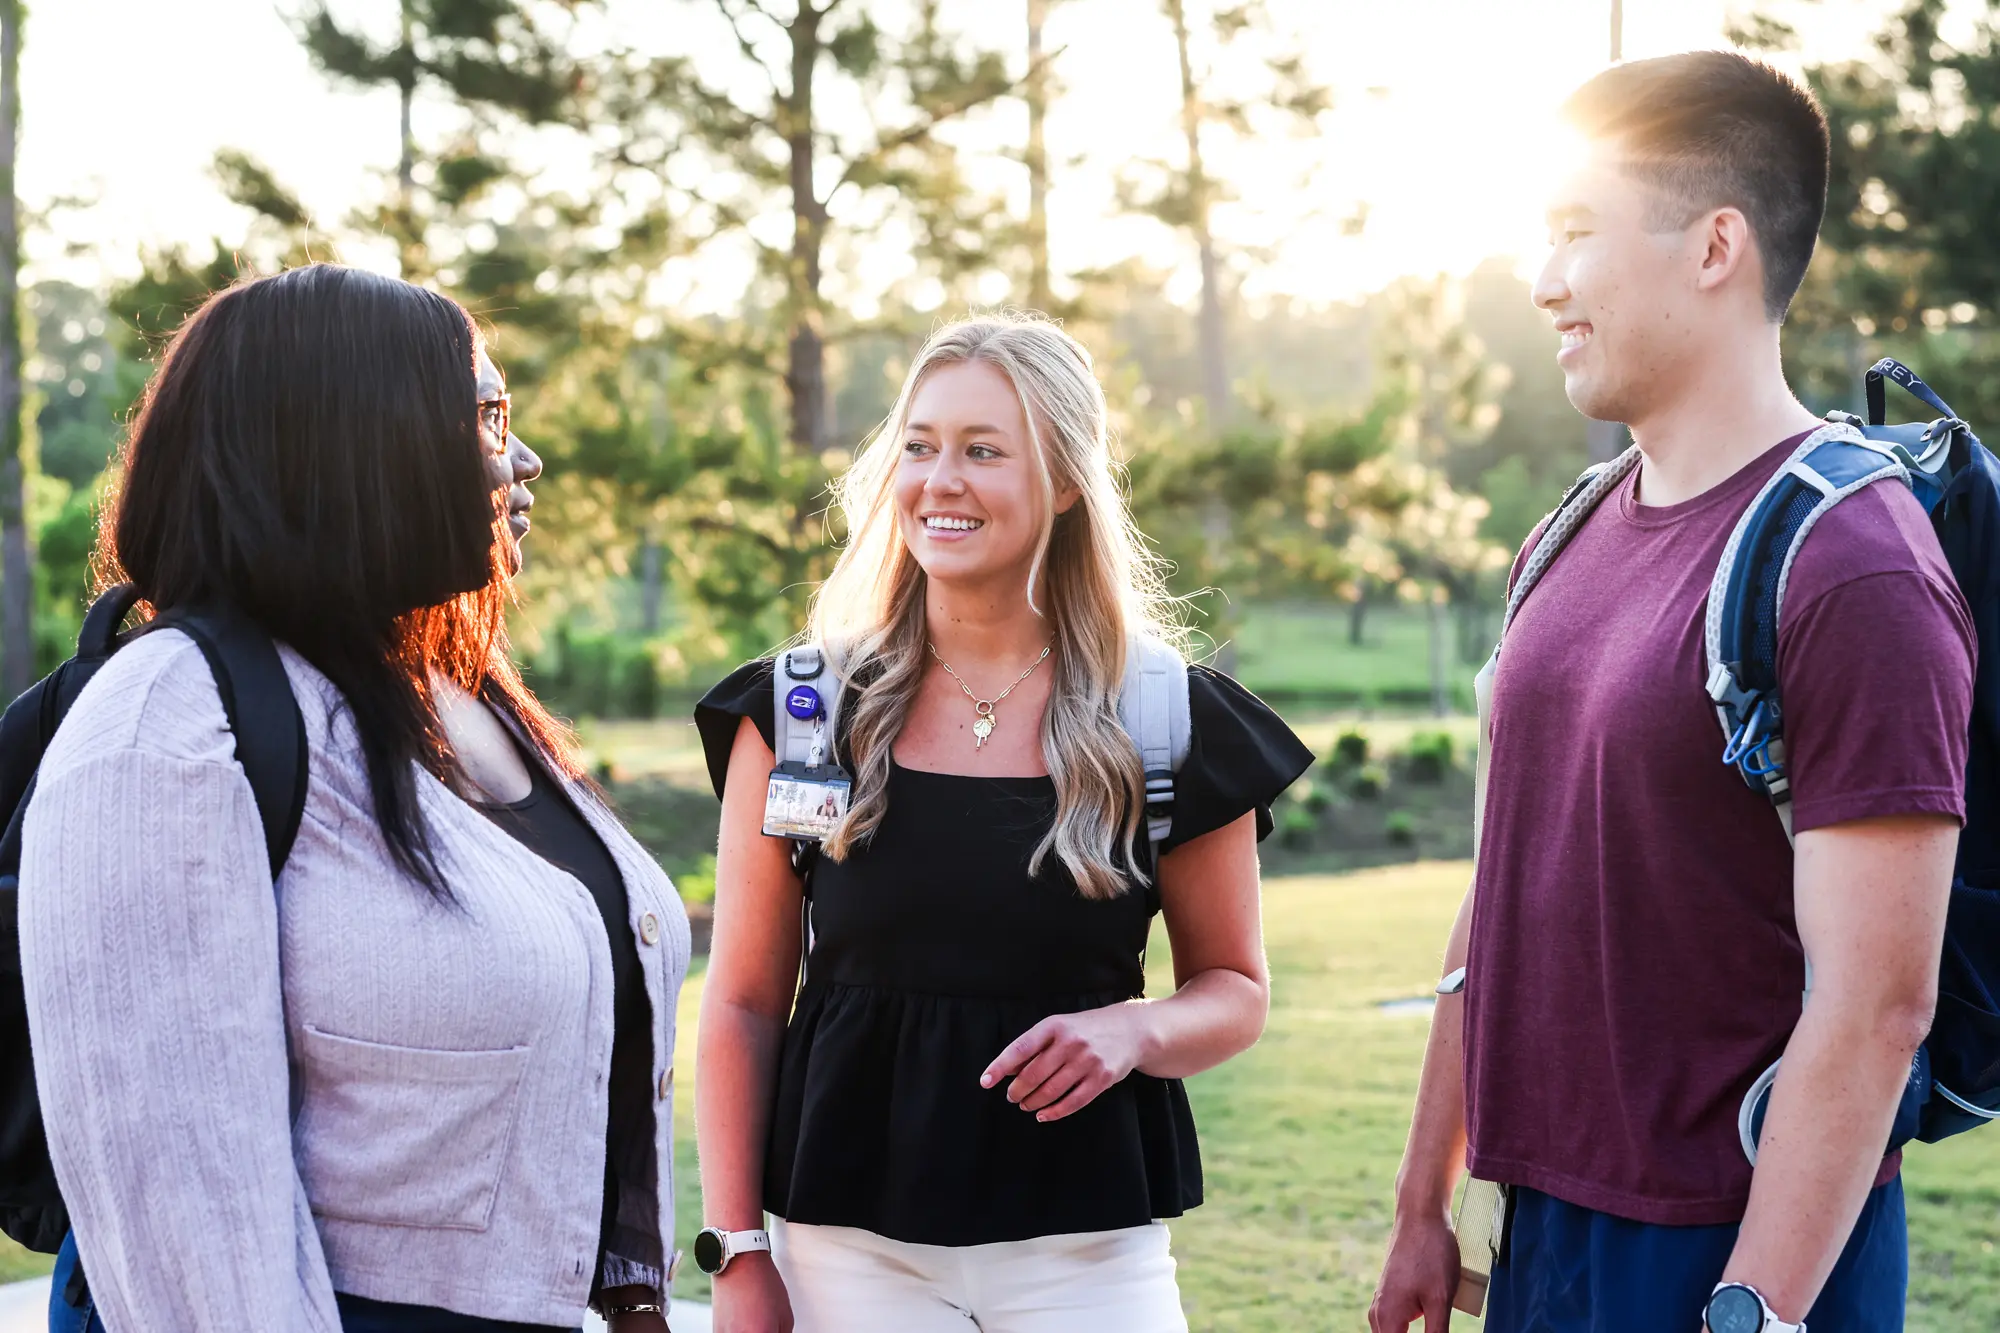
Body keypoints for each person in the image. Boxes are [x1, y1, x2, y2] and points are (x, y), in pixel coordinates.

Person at [1369, 53, 1976, 1333]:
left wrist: (1747, 1309)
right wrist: (1425, 1199)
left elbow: (1874, 1010)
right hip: (1538, 1231)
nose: (1542, 282)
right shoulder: (1572, 529)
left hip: (1733, 1257)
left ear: (1713, 247)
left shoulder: (1852, 565)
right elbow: (1499, 889)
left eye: (1576, 232)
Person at [19, 264, 690, 1333]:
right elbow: (187, 1211)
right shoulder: (171, 722)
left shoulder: (453, 692)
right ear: (352, 443)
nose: (524, 457)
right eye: (484, 415)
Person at [692, 313, 1313, 1333]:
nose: (940, 481)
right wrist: (737, 1255)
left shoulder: (1162, 714)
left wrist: (1133, 1030)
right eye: (919, 447)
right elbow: (744, 1003)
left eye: (983, 450)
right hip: (849, 1256)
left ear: (1066, 479)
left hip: (1088, 1254)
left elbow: (1234, 991)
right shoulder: (804, 708)